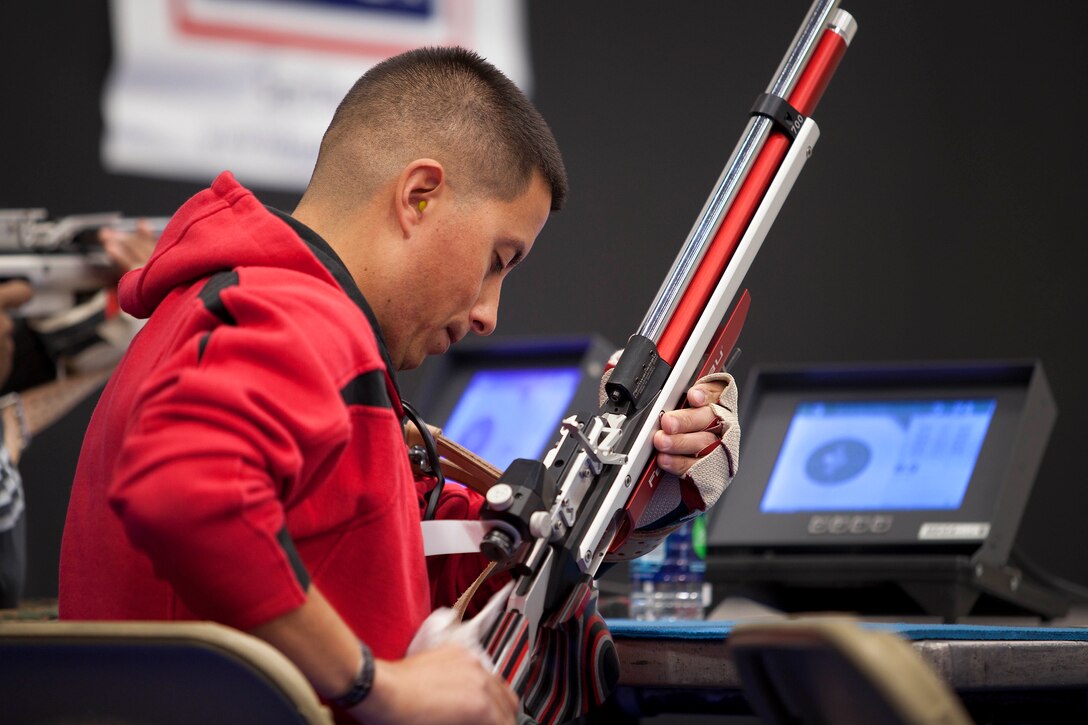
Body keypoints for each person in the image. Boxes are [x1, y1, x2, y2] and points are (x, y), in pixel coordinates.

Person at [59, 47, 737, 724]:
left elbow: (431, 550)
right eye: (497, 260)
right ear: (419, 196)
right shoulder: (300, 319)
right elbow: (184, 490)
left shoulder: (224, 310)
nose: (487, 313)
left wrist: (653, 479)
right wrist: (376, 685)